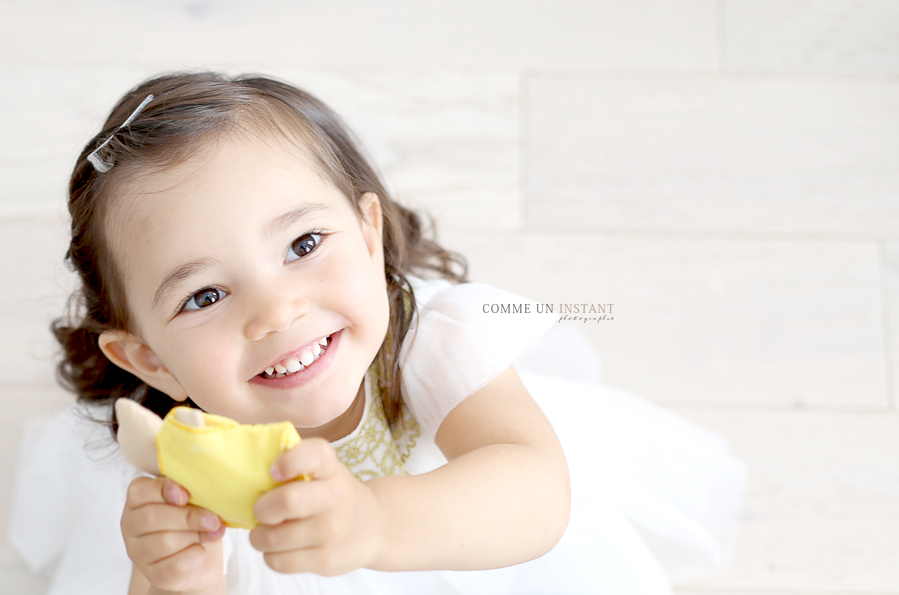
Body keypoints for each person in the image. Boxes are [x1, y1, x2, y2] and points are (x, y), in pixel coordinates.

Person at [9, 72, 746, 595]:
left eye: (302, 245)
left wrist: (373, 523)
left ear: (367, 234)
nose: (276, 311)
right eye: (205, 294)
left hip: (473, 548)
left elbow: (533, 487)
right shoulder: (179, 451)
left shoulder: (433, 340)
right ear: (149, 359)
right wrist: (175, 578)